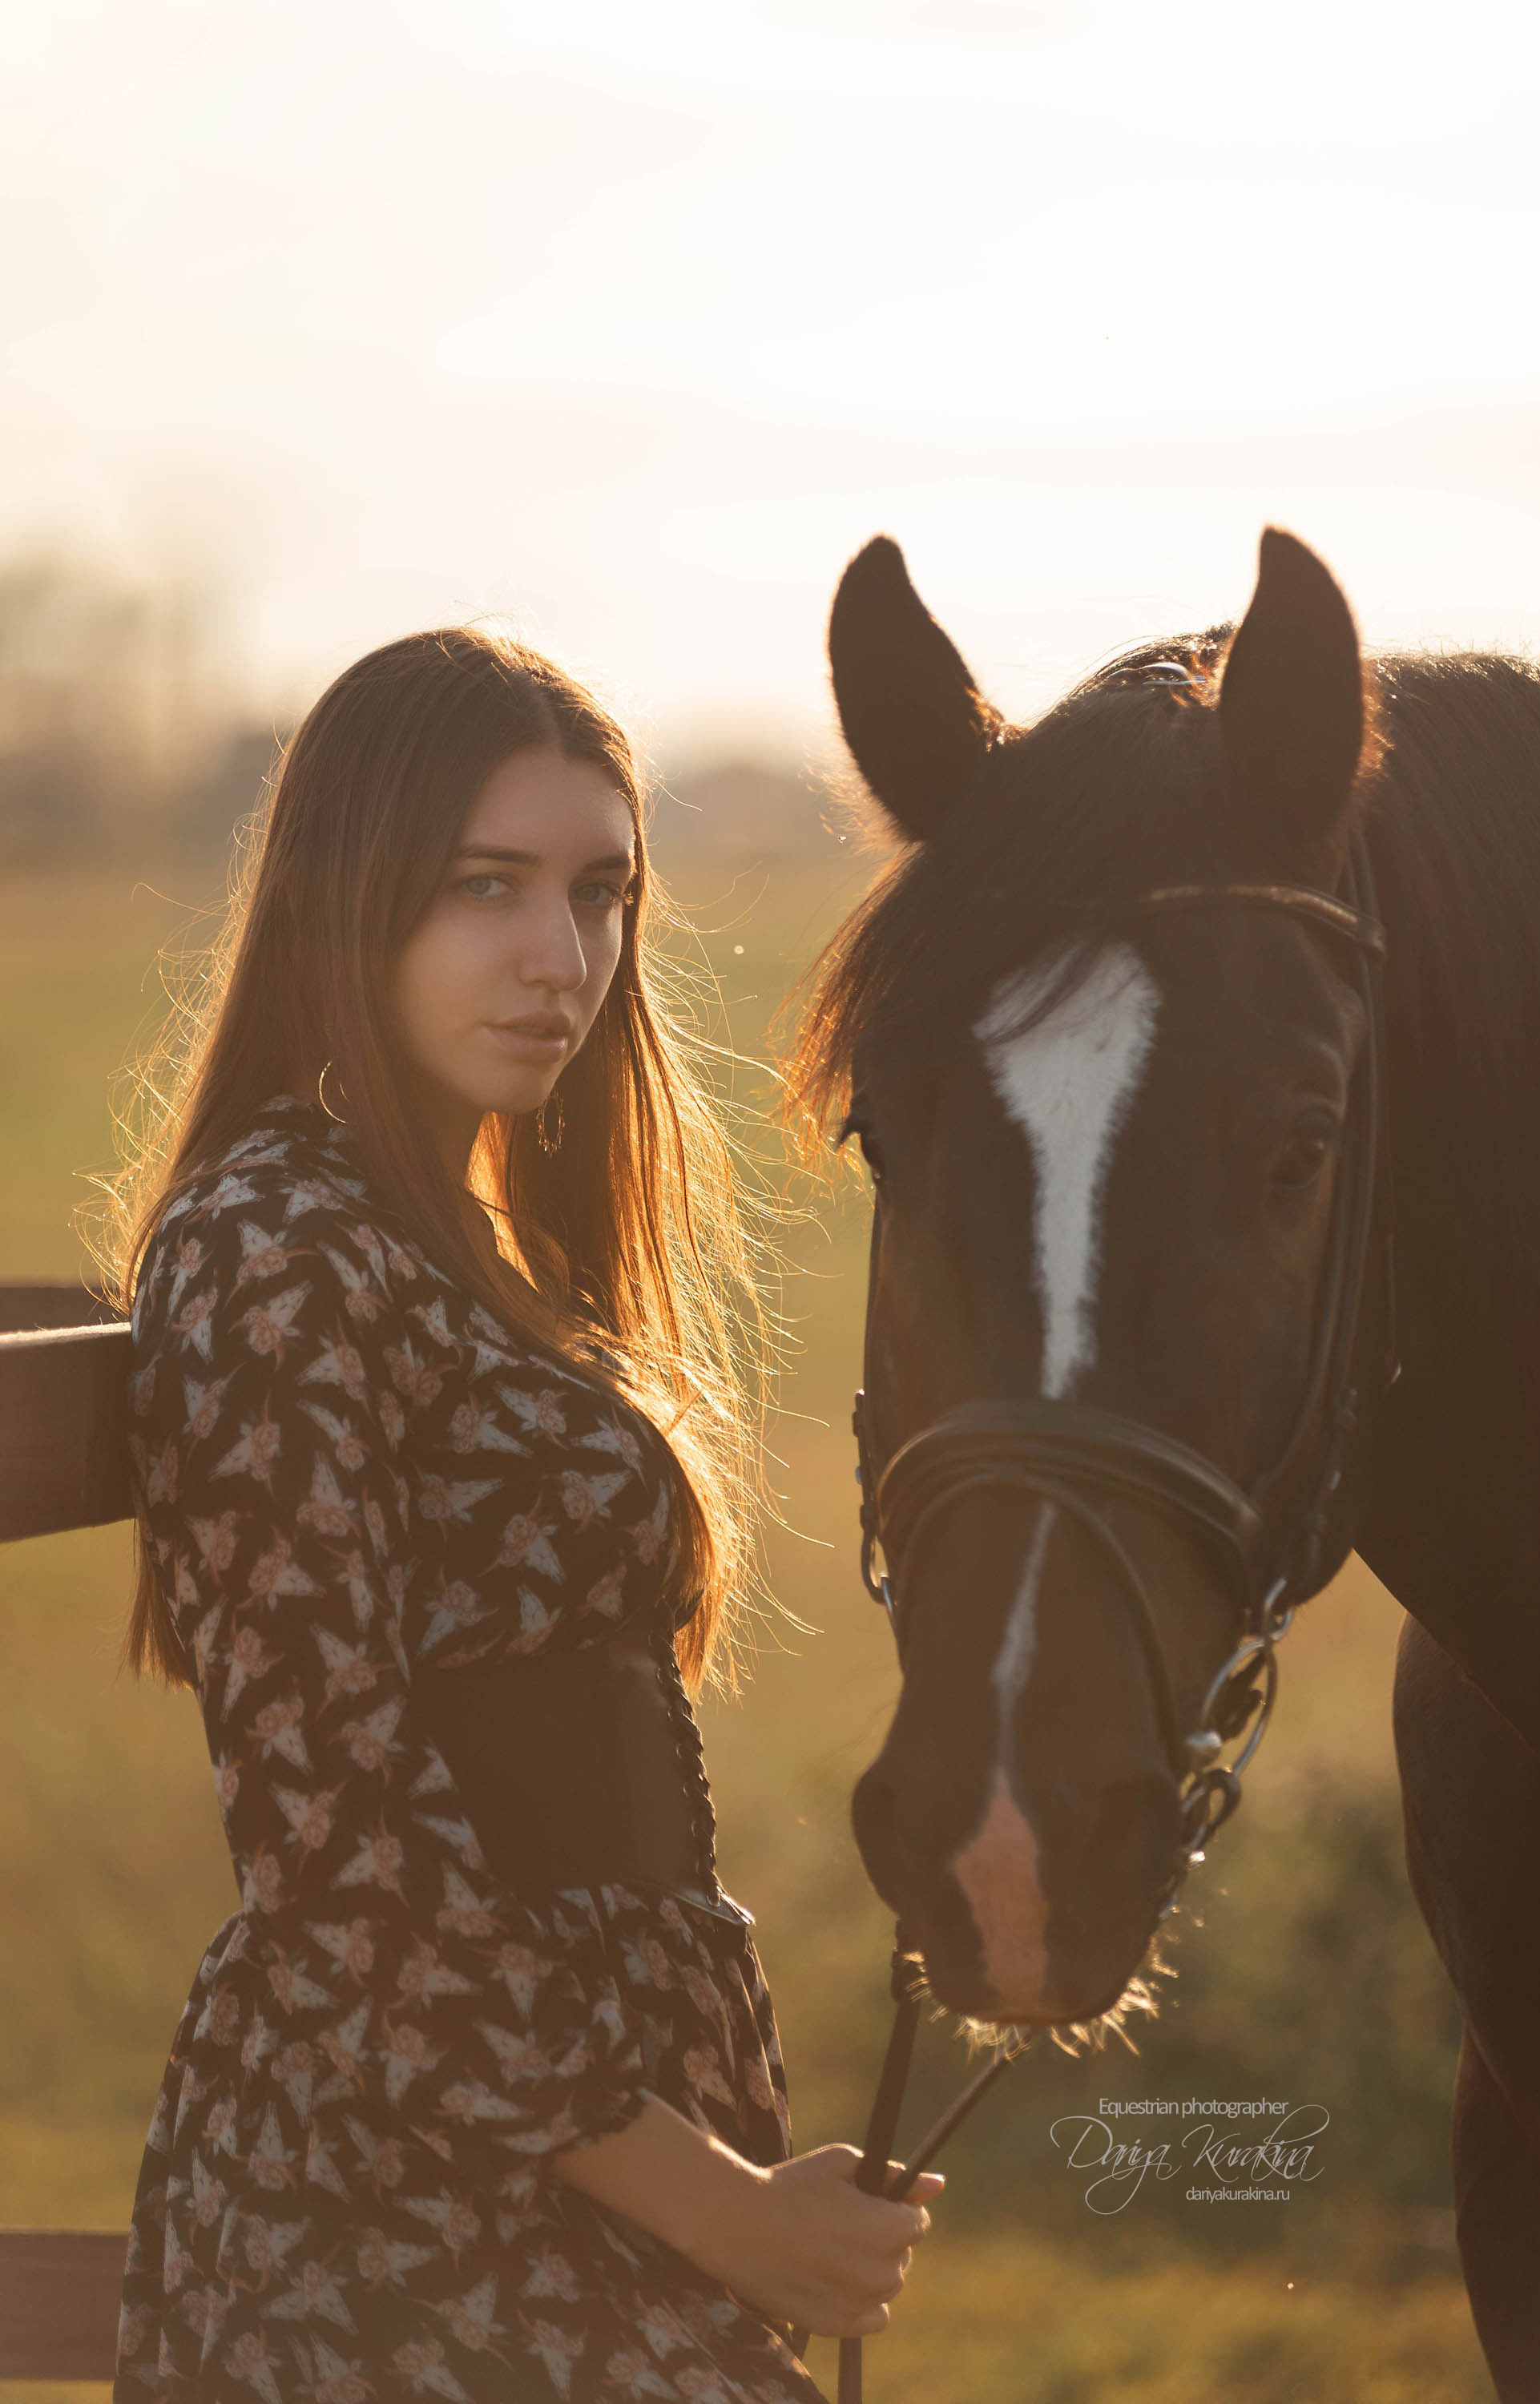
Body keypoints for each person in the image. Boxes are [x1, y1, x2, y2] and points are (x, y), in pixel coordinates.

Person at [103, 627, 941, 2402]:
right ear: (355, 902)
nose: (561, 959)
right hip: (393, 2205)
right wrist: (720, 2213)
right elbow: (339, 1856)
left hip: (590, 2157)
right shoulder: (274, 1250)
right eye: (487, 887)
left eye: (601, 894)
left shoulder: (477, 1250)